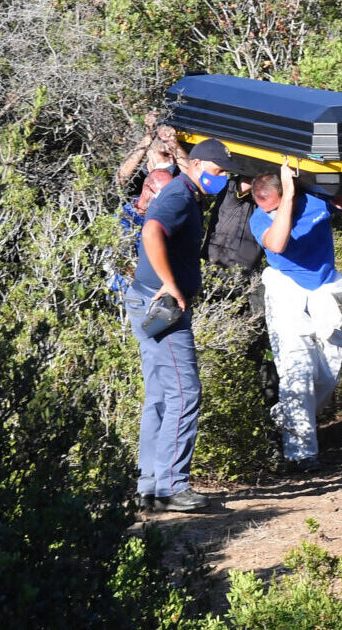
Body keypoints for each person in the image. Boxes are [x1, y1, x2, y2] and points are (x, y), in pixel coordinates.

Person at [126, 138, 241, 512]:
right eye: (217, 171)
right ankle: (172, 486)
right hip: (163, 307)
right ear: (196, 165)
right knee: (184, 392)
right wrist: (172, 285)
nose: (221, 178)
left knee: (160, 396)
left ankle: (150, 486)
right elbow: (151, 231)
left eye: (225, 173)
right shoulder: (178, 195)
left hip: (146, 300)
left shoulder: (184, 192)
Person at [249, 161, 342, 472]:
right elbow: (278, 243)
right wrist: (283, 204)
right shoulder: (261, 218)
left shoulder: (313, 199)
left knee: (327, 373)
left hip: (322, 292)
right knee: (296, 370)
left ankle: (283, 416)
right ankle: (302, 456)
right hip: (286, 293)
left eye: (273, 204)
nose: (267, 212)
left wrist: (340, 193)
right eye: (265, 207)